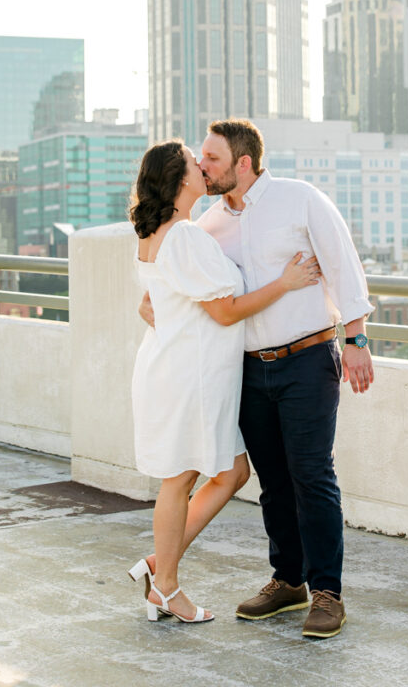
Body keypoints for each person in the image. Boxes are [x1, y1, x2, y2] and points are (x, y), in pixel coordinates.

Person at [188, 118, 373, 638]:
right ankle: (287, 580)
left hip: (308, 360)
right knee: (273, 481)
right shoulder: (209, 225)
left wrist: (356, 339)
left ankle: (327, 593)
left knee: (312, 475)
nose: (203, 166)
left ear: (243, 163)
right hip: (248, 370)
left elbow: (342, 264)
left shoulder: (299, 198)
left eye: (213, 159)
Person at [128, 139, 321, 624]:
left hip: (185, 369)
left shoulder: (161, 232)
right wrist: (285, 284)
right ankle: (166, 588)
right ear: (180, 180)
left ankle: (159, 565)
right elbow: (225, 310)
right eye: (197, 163)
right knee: (180, 480)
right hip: (189, 377)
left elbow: (160, 297)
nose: (204, 167)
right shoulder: (185, 236)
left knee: (232, 472)